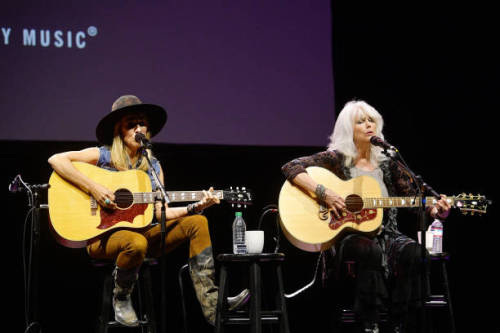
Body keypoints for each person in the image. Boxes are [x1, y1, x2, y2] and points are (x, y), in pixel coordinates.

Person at [48, 95, 249, 327]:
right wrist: (94, 188)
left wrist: (196, 207)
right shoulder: (103, 156)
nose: (138, 128)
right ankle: (121, 296)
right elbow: (56, 160)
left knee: (198, 223)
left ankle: (213, 305)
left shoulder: (153, 167)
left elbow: (160, 213)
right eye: (131, 124)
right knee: (136, 243)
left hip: (142, 235)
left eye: (142, 123)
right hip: (103, 237)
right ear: (119, 131)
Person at [281, 100, 451, 333]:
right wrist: (325, 193)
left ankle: (400, 322)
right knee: (367, 249)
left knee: (415, 252)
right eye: (361, 121)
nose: (368, 125)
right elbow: (291, 167)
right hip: (348, 236)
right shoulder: (336, 159)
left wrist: (435, 210)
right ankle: (369, 324)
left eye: (372, 120)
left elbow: (415, 200)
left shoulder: (388, 161)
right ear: (348, 128)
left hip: (387, 234)